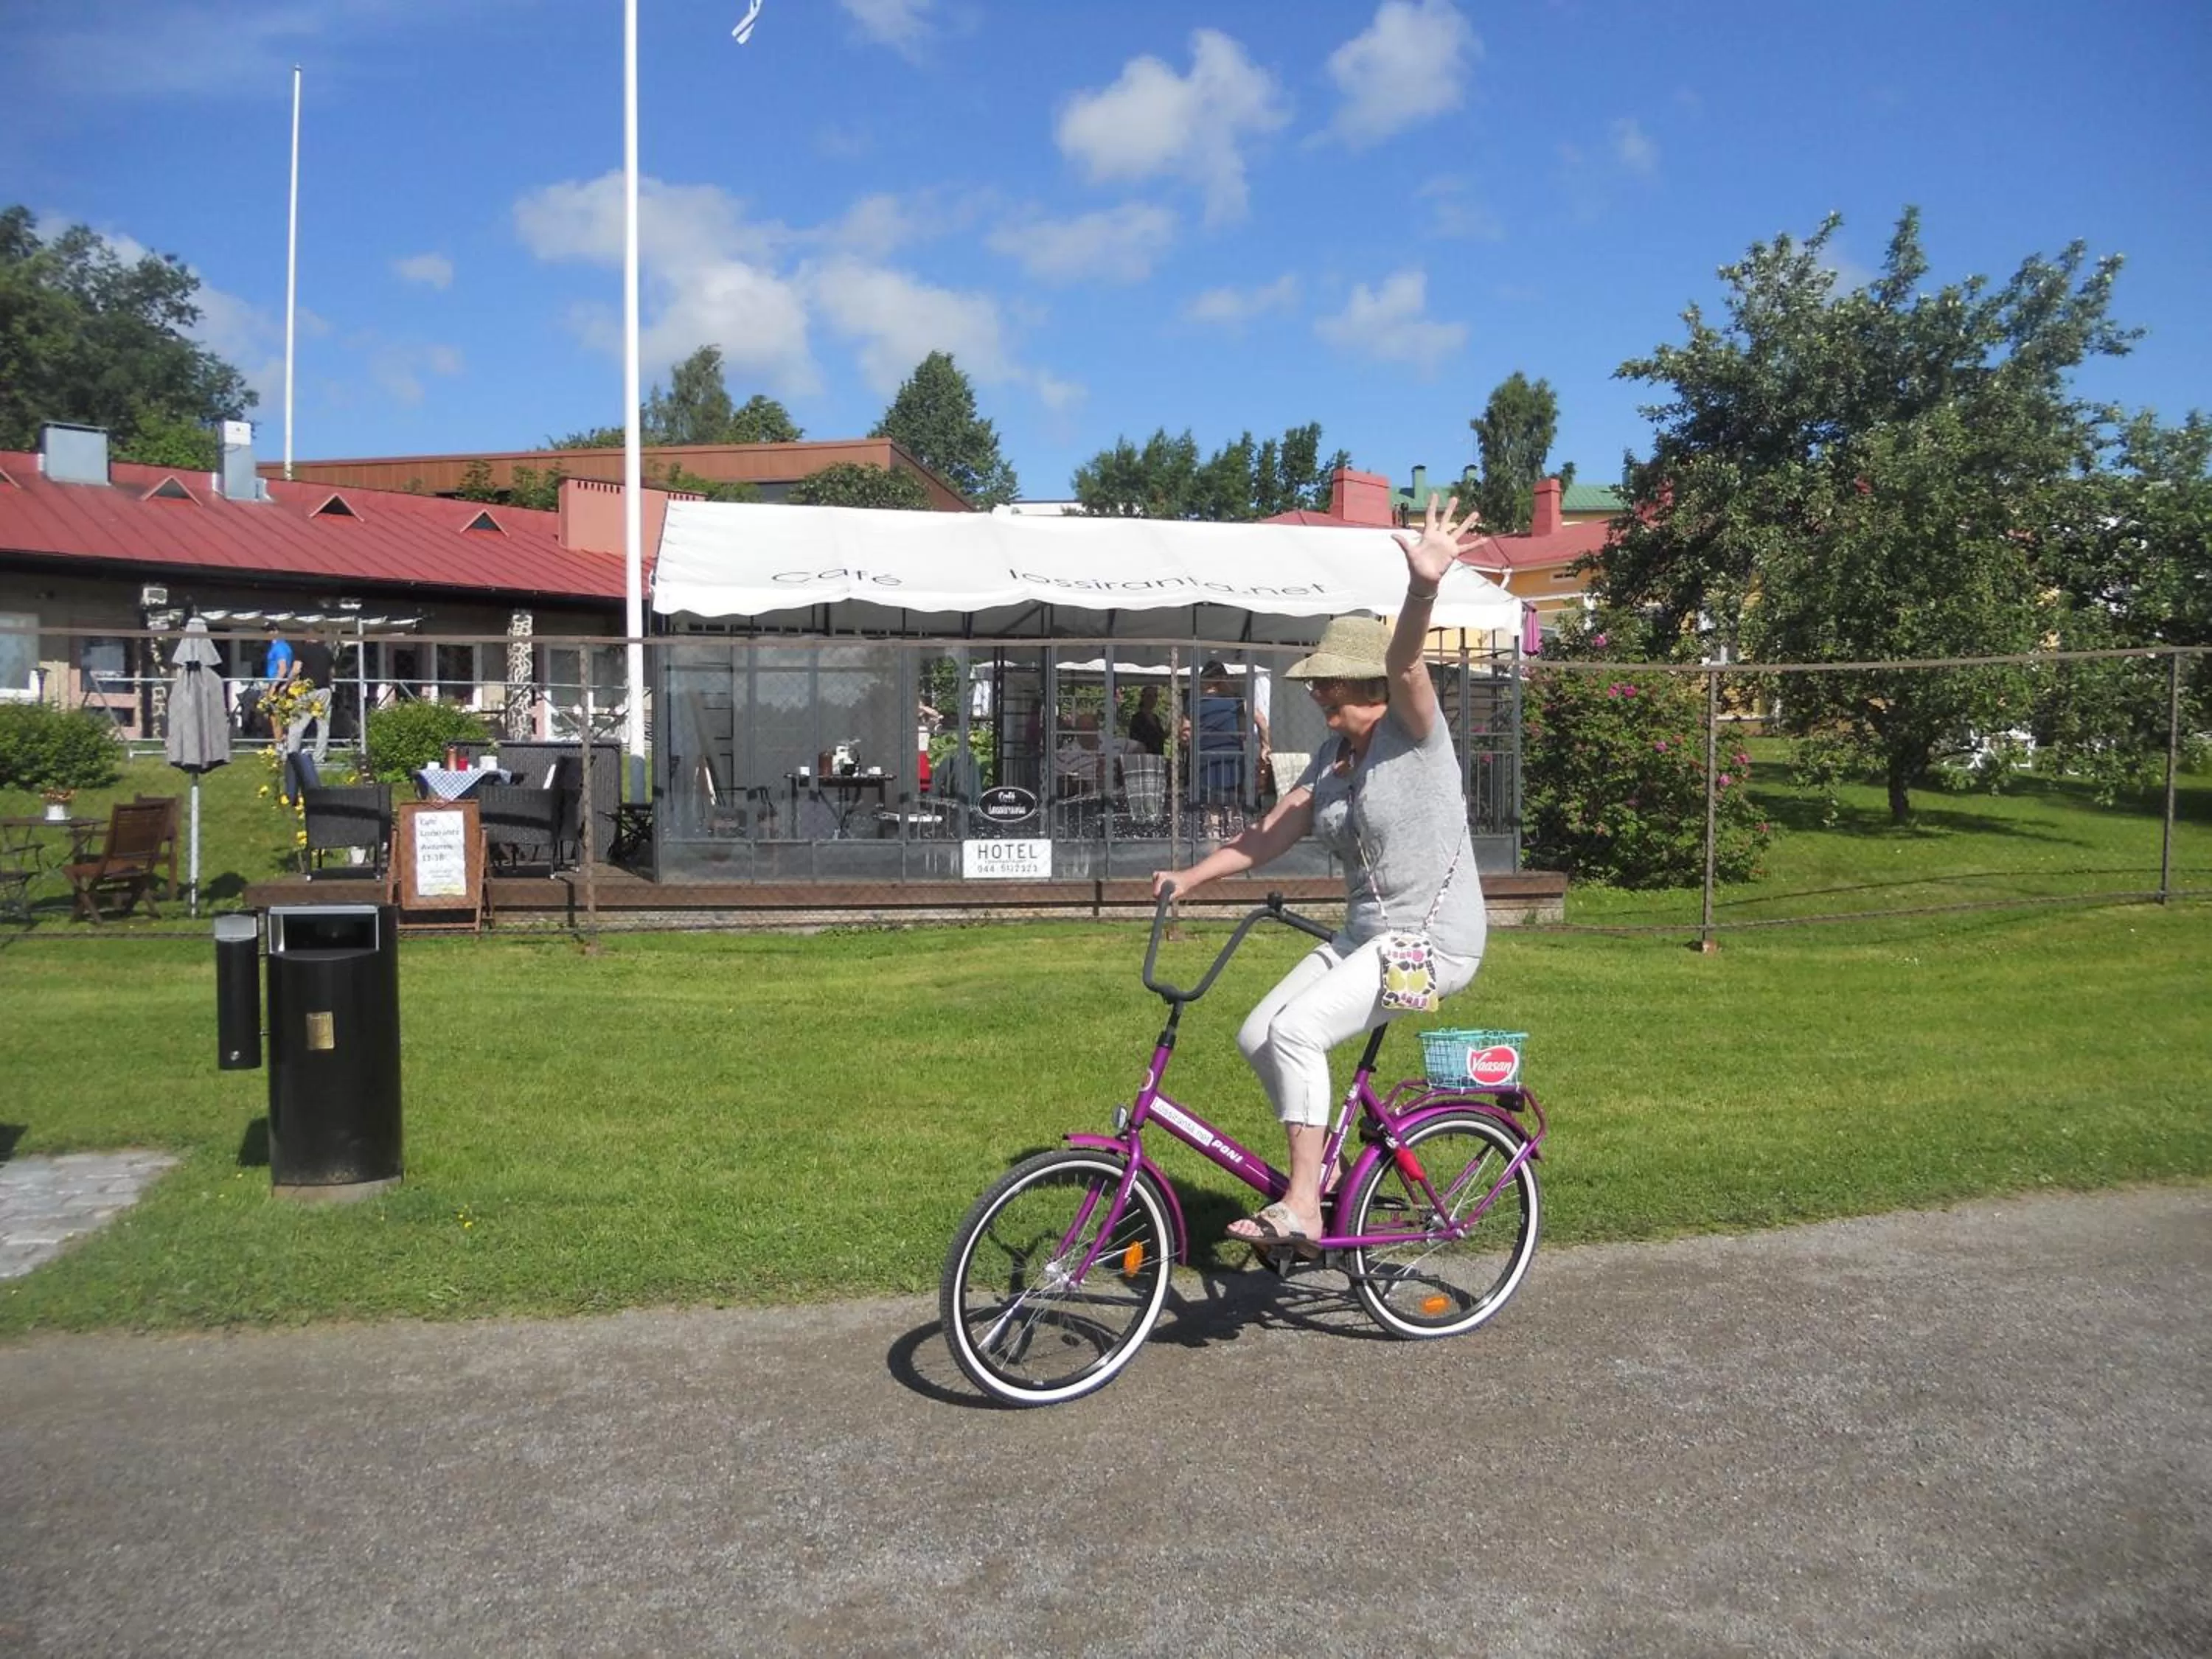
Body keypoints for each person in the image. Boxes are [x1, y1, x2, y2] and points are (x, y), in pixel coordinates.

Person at [1151, 493, 1486, 1255]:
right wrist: (1189, 877)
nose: (1315, 690)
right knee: (1258, 1032)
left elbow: (1406, 657)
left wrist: (1424, 584)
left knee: (1300, 1030)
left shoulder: (1416, 738)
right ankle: (1328, 1170)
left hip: (1431, 947)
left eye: (1328, 681)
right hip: (1368, 937)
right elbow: (1267, 836)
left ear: (1367, 687)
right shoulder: (1335, 763)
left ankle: (1302, 1203)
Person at [1127, 684, 1168, 757]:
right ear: (1143, 698)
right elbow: (1137, 740)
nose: (1153, 699)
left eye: (1155, 696)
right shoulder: (1137, 718)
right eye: (1149, 696)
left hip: (1157, 756)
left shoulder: (1156, 718)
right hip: (1144, 757)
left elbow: (1161, 738)